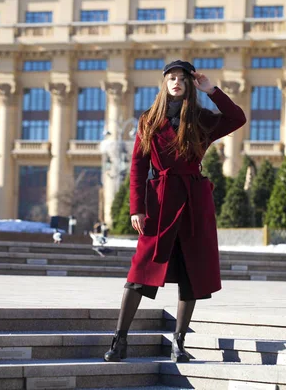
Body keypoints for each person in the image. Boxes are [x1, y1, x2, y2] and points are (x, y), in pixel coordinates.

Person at [103, 60, 246, 363]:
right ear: (165, 83)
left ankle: (179, 343)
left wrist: (212, 90)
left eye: (183, 78)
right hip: (160, 201)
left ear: (189, 84)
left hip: (194, 201)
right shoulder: (149, 121)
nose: (177, 82)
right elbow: (138, 168)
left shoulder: (201, 118)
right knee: (140, 272)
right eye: (172, 78)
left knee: (191, 274)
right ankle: (120, 340)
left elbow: (237, 118)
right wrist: (137, 209)